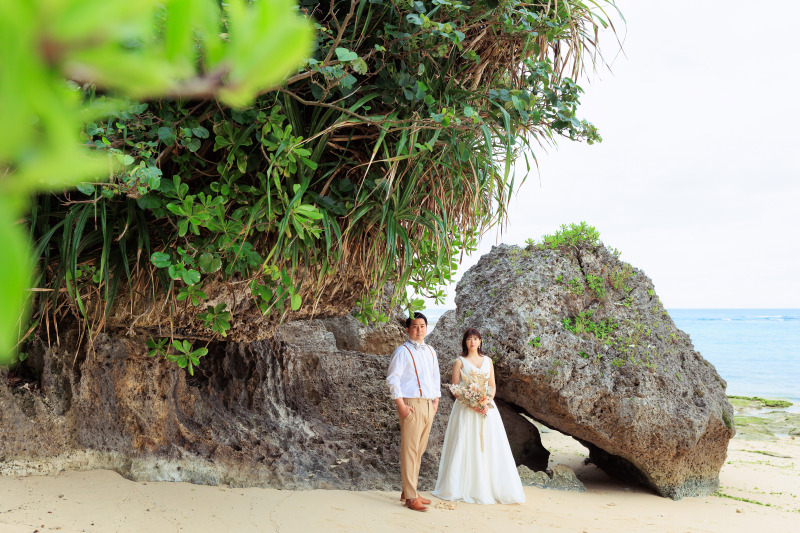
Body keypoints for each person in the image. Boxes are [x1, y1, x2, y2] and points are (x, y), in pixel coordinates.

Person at [432, 328, 525, 504]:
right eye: (469, 339)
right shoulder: (459, 362)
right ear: (465, 342)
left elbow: (492, 386)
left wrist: (484, 401)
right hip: (465, 409)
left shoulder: (488, 361)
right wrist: (471, 402)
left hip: (486, 408)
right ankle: (462, 486)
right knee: (465, 444)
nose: (472, 342)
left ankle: (489, 486)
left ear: (480, 341)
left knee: (489, 446)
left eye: (476, 339)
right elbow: (455, 388)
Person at [386, 312, 441, 512]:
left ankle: (410, 491)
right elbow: (393, 379)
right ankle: (410, 497)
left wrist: (435, 401)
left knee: (419, 450)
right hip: (410, 404)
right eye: (415, 326)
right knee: (409, 450)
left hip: (428, 404)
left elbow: (436, 378)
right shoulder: (402, 351)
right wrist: (401, 405)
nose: (419, 329)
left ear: (427, 328)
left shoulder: (431, 351)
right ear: (408, 329)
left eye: (422, 326)